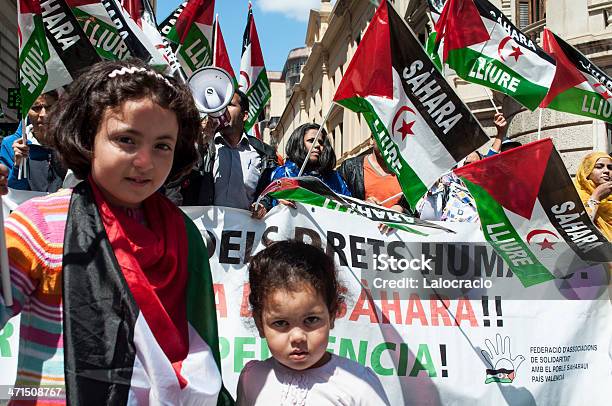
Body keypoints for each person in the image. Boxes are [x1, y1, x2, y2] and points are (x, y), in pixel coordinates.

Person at [0, 60, 232, 405]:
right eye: (126, 139)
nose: (145, 161)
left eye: (162, 145)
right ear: (87, 135)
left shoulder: (182, 234)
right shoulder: (40, 224)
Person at [237, 241, 390, 405]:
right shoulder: (252, 378)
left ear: (332, 315)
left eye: (310, 320)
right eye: (281, 323)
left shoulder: (359, 385)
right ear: (260, 324)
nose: (297, 337)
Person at [172, 90, 277, 216]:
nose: (222, 110)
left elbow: (271, 191)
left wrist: (263, 205)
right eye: (220, 106)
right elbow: (176, 179)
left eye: (230, 105)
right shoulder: (203, 145)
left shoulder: (264, 153)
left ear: (245, 116)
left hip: (245, 232)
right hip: (206, 231)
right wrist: (200, 144)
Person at [0, 91, 66, 192]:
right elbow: (9, 196)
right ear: (27, 112)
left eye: (49, 107)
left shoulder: (71, 144)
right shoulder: (10, 145)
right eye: (36, 108)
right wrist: (18, 165)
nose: (43, 114)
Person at [269, 123, 350, 205]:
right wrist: (280, 203)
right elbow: (270, 204)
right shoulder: (283, 174)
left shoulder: (335, 178)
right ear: (298, 143)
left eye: (321, 142)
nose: (318, 145)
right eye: (311, 141)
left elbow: (348, 206)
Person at [339, 137, 411, 213]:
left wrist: (401, 209)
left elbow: (418, 209)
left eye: (392, 138)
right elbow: (338, 202)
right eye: (383, 138)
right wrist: (362, 205)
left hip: (396, 224)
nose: (387, 144)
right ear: (371, 140)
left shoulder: (408, 173)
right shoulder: (350, 167)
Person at [574, 152, 612, 240]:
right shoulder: (573, 196)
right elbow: (579, 229)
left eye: (610, 168)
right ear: (587, 171)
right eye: (599, 167)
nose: (607, 171)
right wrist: (596, 197)